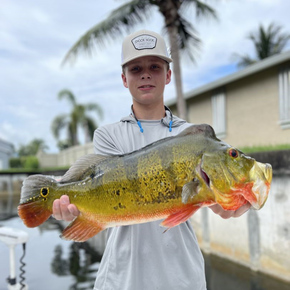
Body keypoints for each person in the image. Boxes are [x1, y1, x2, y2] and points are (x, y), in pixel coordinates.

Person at [52, 29, 251, 290]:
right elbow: (99, 193)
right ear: (124, 79)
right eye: (136, 69)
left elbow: (212, 201)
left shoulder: (192, 136)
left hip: (182, 278)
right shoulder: (108, 135)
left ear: (168, 75)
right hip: (122, 278)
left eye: (155, 66)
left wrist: (229, 201)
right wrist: (72, 209)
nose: (145, 74)